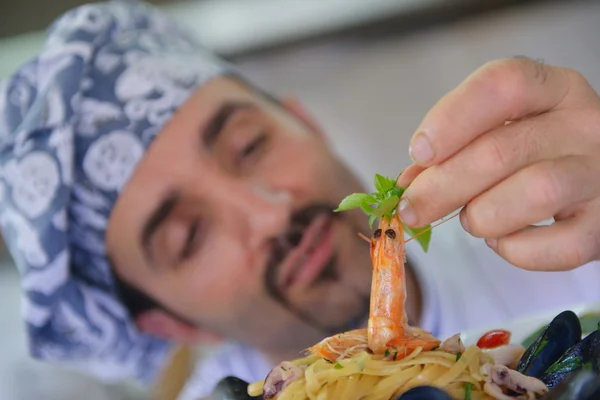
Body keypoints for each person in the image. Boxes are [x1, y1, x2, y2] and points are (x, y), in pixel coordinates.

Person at [0, 1, 598, 398]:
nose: (269, 212)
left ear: (303, 120)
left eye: (249, 144)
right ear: (169, 322)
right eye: (188, 235)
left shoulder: (557, 218)